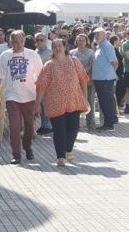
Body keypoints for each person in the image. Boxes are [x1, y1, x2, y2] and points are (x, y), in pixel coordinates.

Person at [35, 39, 89, 167]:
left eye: (60, 45)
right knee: (59, 131)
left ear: (65, 47)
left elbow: (83, 79)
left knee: (73, 129)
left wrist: (85, 98)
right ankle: (60, 157)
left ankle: (68, 149)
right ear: (52, 49)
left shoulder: (74, 61)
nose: (57, 48)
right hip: (55, 104)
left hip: (73, 102)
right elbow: (42, 86)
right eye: (54, 46)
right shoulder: (49, 65)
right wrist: (37, 104)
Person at [0, 30, 44, 164]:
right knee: (14, 126)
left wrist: (41, 97)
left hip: (30, 95)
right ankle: (16, 154)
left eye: (21, 41)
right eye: (15, 42)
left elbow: (41, 76)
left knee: (29, 126)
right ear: (10, 42)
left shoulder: (32, 55)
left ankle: (27, 147)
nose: (18, 44)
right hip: (11, 96)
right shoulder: (4, 56)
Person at [92, 27, 118, 132]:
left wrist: (110, 73)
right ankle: (108, 123)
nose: (96, 36)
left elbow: (115, 63)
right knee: (103, 103)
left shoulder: (107, 46)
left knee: (106, 103)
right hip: (100, 79)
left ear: (104, 35)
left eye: (98, 34)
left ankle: (109, 124)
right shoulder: (99, 46)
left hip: (105, 79)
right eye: (95, 34)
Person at [70, 33, 96, 129]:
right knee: (75, 103)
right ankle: (76, 124)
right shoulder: (72, 52)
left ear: (86, 42)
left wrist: (81, 72)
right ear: (76, 41)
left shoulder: (91, 52)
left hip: (88, 81)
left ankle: (90, 123)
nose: (81, 42)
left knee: (89, 101)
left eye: (83, 40)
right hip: (75, 82)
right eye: (79, 40)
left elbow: (91, 65)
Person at [34, 32, 53, 135]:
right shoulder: (35, 51)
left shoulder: (50, 52)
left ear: (45, 41)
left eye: (41, 40)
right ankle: (43, 125)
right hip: (37, 81)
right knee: (40, 104)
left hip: (47, 82)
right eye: (37, 40)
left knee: (46, 104)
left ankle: (48, 126)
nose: (39, 42)